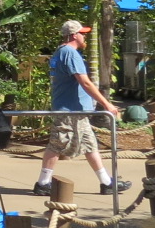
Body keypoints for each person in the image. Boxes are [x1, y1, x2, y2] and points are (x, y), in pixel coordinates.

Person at [35, 19, 130, 196]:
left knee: (89, 144)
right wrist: (106, 103)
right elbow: (85, 82)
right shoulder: (69, 53)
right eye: (82, 34)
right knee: (58, 143)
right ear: (73, 35)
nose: (84, 37)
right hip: (69, 110)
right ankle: (43, 183)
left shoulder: (61, 52)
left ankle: (106, 182)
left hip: (77, 111)